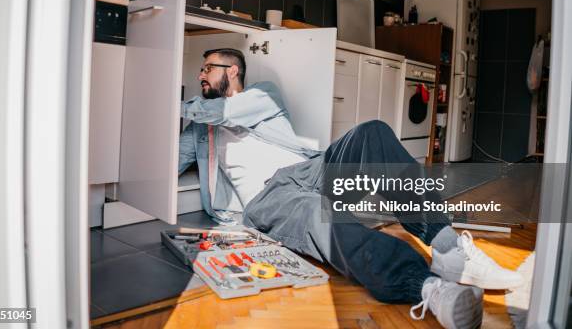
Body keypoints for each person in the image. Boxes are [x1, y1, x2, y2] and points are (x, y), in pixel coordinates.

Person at [179, 48, 522, 329]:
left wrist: (175, 104)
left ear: (233, 70)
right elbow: (170, 158)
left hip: (308, 169)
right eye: (201, 69)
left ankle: (448, 247)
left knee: (372, 132)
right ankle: (429, 288)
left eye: (208, 68)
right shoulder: (199, 130)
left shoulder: (261, 94)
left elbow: (223, 112)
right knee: (317, 213)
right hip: (269, 197)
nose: (200, 76)